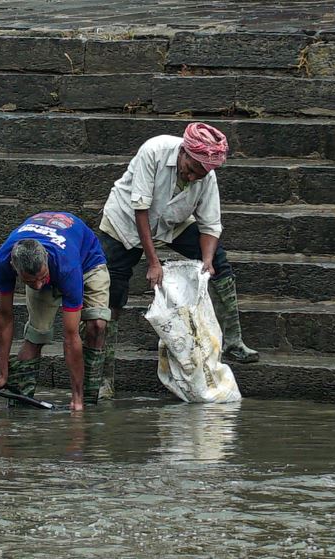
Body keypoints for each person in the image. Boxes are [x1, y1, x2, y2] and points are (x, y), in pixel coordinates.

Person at [97, 122, 259, 400]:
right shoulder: (154, 151)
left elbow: (210, 224)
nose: (194, 176)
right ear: (183, 152)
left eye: (201, 173)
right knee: (112, 293)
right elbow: (141, 210)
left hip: (172, 223)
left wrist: (207, 260)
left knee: (219, 264)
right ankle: (103, 378)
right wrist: (153, 262)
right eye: (192, 169)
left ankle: (232, 340)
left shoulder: (206, 176)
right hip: (125, 222)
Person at [0, 211, 111, 411]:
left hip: (87, 263)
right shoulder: (2, 262)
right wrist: (2, 372)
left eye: (42, 277)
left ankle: (84, 399)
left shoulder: (66, 266)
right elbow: (4, 318)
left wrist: (75, 398)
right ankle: (20, 402)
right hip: (53, 263)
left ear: (45, 259)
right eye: (29, 281)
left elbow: (70, 336)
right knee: (37, 333)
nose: (37, 285)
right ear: (14, 268)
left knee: (96, 324)